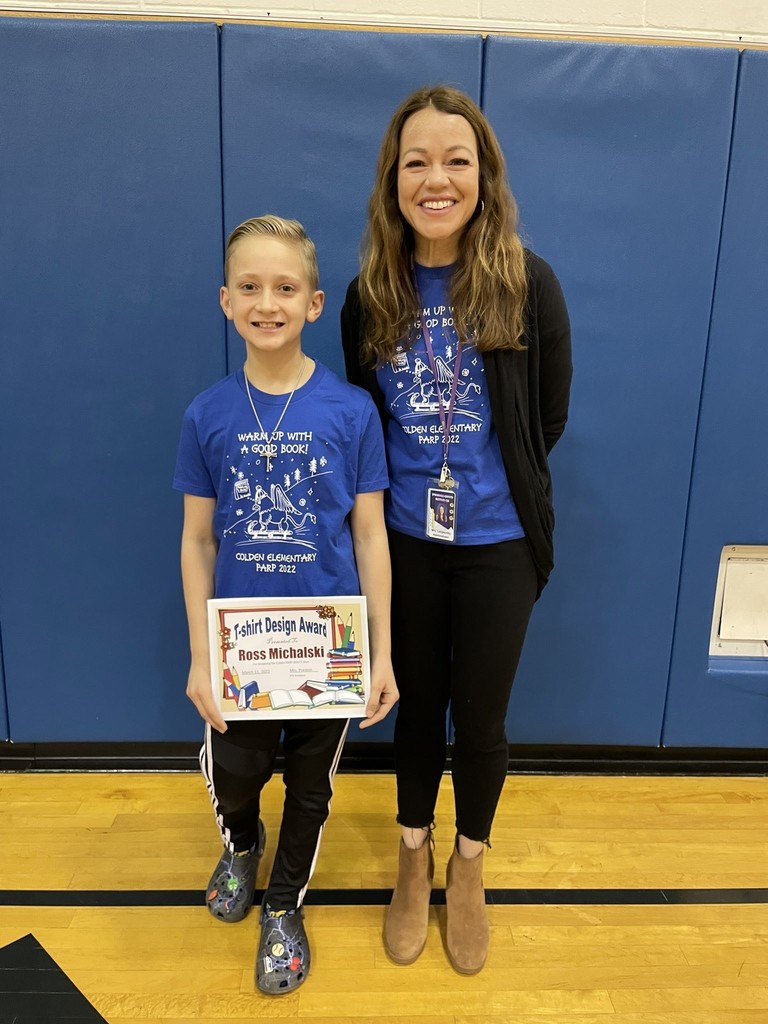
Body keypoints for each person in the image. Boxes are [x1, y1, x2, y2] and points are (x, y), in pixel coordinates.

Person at [341, 86, 572, 975]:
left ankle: (468, 867)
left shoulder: (527, 282)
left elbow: (545, 418)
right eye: (417, 162)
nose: (436, 178)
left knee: (481, 721)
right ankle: (412, 856)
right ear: (393, 180)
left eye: (456, 160)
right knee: (412, 715)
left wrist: (483, 489)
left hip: (500, 544)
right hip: (403, 544)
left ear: (485, 175)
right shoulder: (371, 295)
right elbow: (366, 426)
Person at [174, 215, 397, 996]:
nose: (267, 301)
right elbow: (198, 541)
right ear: (226, 301)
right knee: (233, 780)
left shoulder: (351, 413)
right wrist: (202, 656)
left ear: (312, 303)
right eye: (251, 287)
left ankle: (282, 906)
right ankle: (241, 845)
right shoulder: (208, 413)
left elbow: (370, 536)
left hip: (327, 650)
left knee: (312, 790)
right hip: (239, 651)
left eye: (286, 287)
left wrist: (382, 652)